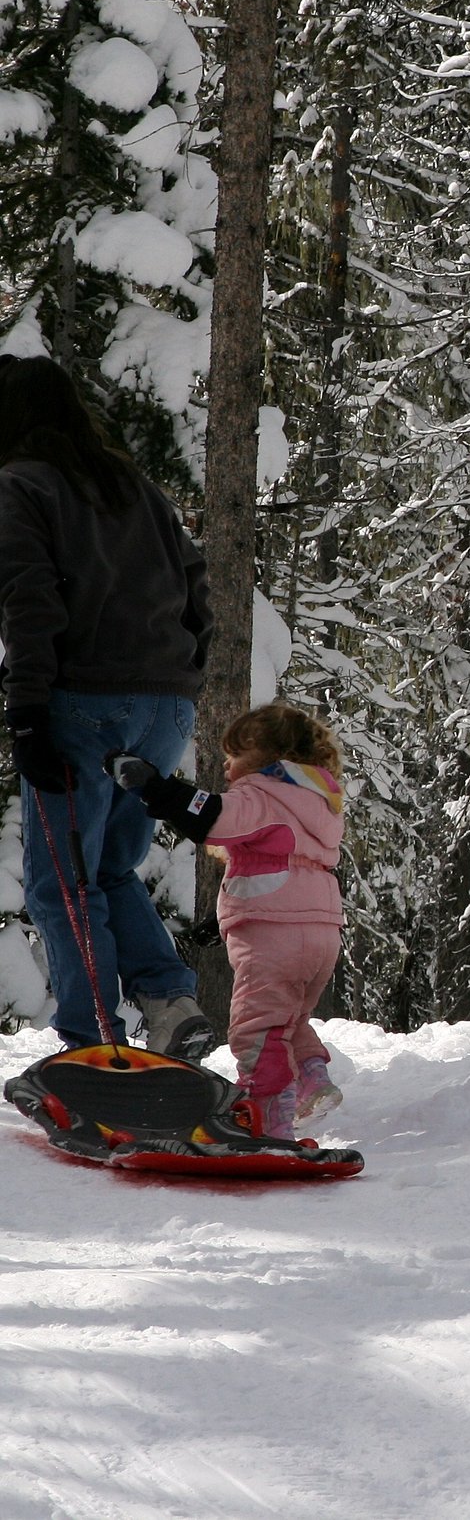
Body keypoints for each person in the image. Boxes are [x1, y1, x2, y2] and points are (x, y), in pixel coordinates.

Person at [0, 355, 213, 1057]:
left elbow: (29, 603)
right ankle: (170, 1001)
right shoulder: (134, 485)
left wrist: (28, 714)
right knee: (111, 870)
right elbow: (196, 584)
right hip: (167, 707)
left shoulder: (19, 485)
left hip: (83, 704)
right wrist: (185, 670)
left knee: (61, 883)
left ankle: (93, 1043)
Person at [114, 703, 347, 1138]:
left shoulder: (262, 793)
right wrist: (218, 920)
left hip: (275, 935)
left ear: (264, 754)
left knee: (256, 1028)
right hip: (321, 932)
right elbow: (282, 866)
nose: (226, 764)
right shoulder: (318, 801)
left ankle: (266, 1118)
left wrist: (155, 788)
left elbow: (210, 816)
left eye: (235, 753)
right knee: (289, 1019)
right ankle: (312, 1078)